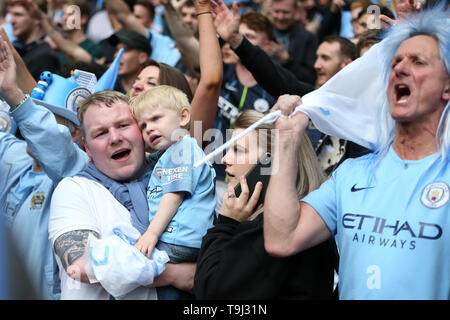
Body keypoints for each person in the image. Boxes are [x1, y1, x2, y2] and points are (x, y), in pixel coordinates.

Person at [263, 7, 450, 299]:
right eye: (396, 61)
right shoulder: (352, 173)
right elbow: (281, 238)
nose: (400, 68)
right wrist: (286, 143)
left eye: (418, 61)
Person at [194, 109, 337, 299]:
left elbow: (210, 290)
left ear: (269, 162)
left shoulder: (276, 230)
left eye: (238, 150)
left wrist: (226, 224)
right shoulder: (307, 220)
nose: (225, 159)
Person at [130, 85, 216, 299]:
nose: (149, 128)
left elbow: (174, 195)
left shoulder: (182, 149)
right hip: (184, 241)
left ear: (183, 117)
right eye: (143, 125)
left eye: (156, 118)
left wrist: (151, 234)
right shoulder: (171, 152)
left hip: (177, 240)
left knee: (130, 268)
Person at [7, 0, 60, 80]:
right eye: (11, 14)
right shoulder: (17, 49)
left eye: (18, 15)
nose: (11, 21)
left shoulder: (45, 57)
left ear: (37, 18)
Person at [269, 0, 318, 85]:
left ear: (296, 11)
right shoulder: (263, 33)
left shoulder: (308, 38)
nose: (280, 17)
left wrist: (286, 60)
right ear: (271, 10)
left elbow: (310, 78)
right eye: (276, 11)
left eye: (286, 12)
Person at [107, 29, 151, 94]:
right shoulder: (108, 85)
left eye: (125, 50)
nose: (116, 55)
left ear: (142, 57)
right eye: (117, 50)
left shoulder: (151, 92)